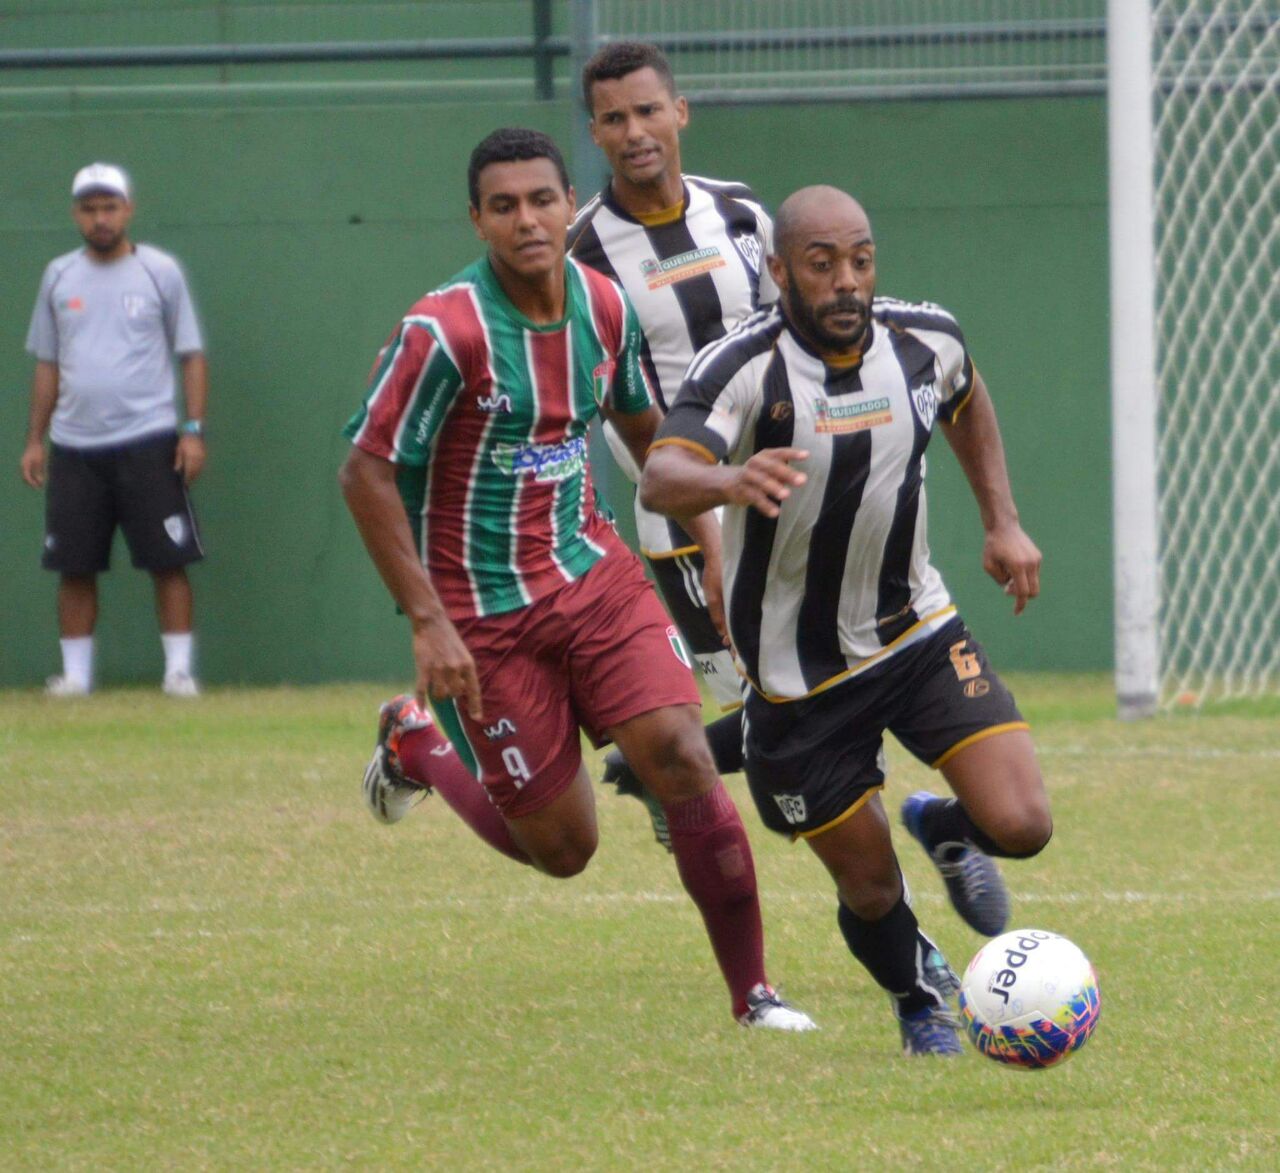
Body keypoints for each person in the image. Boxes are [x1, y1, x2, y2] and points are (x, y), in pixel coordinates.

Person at [340, 128, 814, 1032]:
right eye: (504, 206)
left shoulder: (603, 304)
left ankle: (755, 994)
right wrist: (428, 622)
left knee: (682, 753)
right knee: (563, 848)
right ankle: (416, 743)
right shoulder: (444, 331)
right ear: (477, 220)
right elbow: (365, 472)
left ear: (570, 206)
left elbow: (649, 437)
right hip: (481, 617)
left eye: (541, 200)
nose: (527, 220)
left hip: (594, 579)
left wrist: (711, 542)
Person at [639, 184, 1054, 1056]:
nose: (846, 282)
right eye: (822, 264)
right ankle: (915, 1000)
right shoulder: (741, 366)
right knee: (869, 887)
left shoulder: (925, 338)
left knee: (1023, 824)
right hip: (798, 680)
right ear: (780, 270)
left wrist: (1003, 520)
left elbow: (966, 397)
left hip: (916, 632)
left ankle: (944, 826)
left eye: (860, 261)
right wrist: (729, 479)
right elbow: (663, 474)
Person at [565, 41, 778, 846]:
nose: (635, 132)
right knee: (764, 712)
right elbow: (629, 420)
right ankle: (657, 766)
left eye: (649, 111)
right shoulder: (581, 255)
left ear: (679, 112)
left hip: (779, 494)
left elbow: (787, 345)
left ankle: (649, 766)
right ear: (595, 133)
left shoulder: (742, 214)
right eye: (614, 119)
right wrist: (711, 532)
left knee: (802, 703)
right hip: (686, 519)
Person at [21, 162, 208, 697]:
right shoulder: (58, 276)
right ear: (75, 214)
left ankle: (178, 672)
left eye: (109, 207)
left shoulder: (159, 272)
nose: (99, 218)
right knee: (74, 565)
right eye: (89, 209)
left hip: (149, 440)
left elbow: (191, 355)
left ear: (128, 210)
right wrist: (35, 440)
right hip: (74, 447)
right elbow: (48, 364)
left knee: (168, 560)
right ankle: (75, 678)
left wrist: (192, 431)